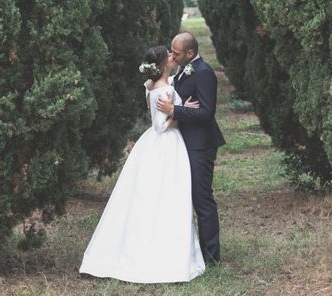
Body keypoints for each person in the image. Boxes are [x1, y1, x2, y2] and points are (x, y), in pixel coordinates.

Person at [79, 45, 205, 283]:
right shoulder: (163, 89)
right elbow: (160, 126)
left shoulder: (151, 85)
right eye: (168, 55)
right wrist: (180, 111)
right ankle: (161, 255)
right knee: (166, 195)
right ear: (161, 65)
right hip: (166, 144)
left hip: (156, 145)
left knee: (148, 196)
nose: (172, 56)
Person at [156, 32, 225, 267]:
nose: (171, 56)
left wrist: (175, 111)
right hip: (184, 141)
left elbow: (206, 113)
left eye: (175, 53)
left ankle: (211, 256)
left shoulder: (204, 73)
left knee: (202, 198)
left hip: (200, 145)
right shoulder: (183, 69)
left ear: (190, 53)